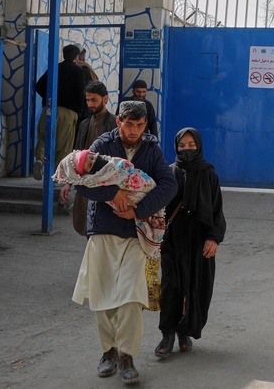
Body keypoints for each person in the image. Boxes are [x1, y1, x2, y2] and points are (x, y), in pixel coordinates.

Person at [72, 100, 176, 384]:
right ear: (119, 122)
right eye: (129, 124)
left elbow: (169, 185)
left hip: (135, 233)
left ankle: (127, 356)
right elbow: (80, 181)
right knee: (103, 295)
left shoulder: (152, 150)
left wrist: (138, 210)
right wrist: (112, 194)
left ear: (145, 125)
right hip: (103, 230)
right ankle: (108, 352)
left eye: (140, 125)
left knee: (131, 295)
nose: (134, 131)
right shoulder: (102, 145)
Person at [154, 127, 226, 360]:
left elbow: (216, 210)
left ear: (199, 146)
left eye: (191, 145)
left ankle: (185, 332)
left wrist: (213, 238)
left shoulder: (209, 174)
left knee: (196, 288)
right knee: (172, 287)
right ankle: (167, 334)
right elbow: (159, 208)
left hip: (200, 242)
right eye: (182, 145)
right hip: (173, 240)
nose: (186, 149)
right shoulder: (169, 173)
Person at [61, 80, 118, 236]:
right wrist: (68, 182)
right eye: (88, 100)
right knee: (86, 226)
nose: (90, 104)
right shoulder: (84, 124)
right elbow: (77, 154)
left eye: (94, 100)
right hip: (85, 183)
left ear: (105, 99)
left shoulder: (114, 124)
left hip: (106, 183)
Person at [32, 44, 86, 180]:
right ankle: (58, 175)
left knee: (43, 138)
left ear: (63, 55)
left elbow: (39, 85)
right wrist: (78, 110)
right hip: (68, 112)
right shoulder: (78, 71)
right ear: (76, 57)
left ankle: (39, 159)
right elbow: (80, 93)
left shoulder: (55, 68)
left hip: (49, 109)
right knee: (64, 145)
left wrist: (48, 97)